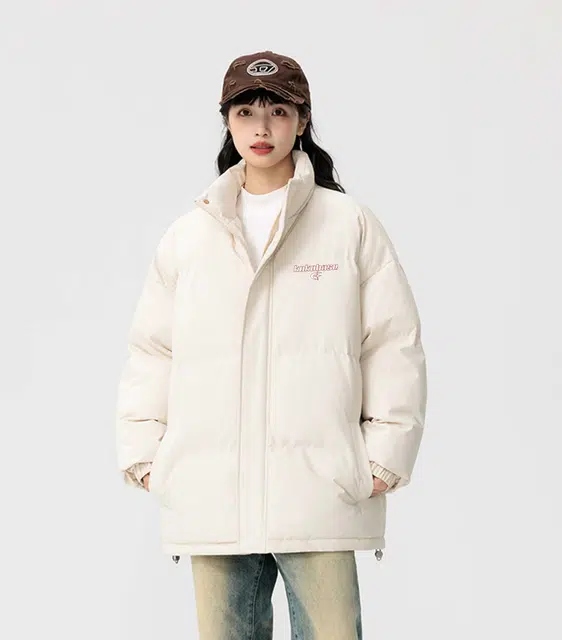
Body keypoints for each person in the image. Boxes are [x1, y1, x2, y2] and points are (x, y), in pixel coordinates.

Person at [115, 49, 427, 639]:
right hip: (212, 491)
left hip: (321, 486)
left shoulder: (348, 224)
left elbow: (392, 342)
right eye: (246, 112)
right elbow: (153, 350)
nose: (262, 127)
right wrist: (146, 455)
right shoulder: (189, 236)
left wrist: (385, 453)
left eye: (278, 111)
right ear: (227, 122)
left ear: (302, 120)